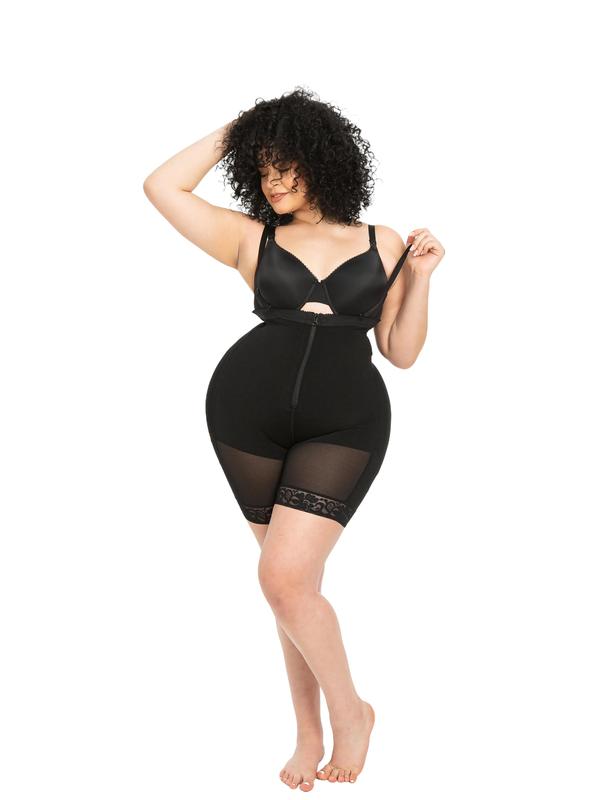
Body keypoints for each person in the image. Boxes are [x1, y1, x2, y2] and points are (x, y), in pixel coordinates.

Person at [143, 87, 445, 791]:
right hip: (246, 415)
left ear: (323, 159)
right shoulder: (251, 237)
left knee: (283, 581)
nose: (274, 182)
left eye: (287, 166)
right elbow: (161, 186)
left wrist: (422, 278)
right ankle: (309, 733)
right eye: (263, 168)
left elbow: (400, 352)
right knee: (292, 587)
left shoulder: (382, 242)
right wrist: (245, 126)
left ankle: (352, 715)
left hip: (344, 423)